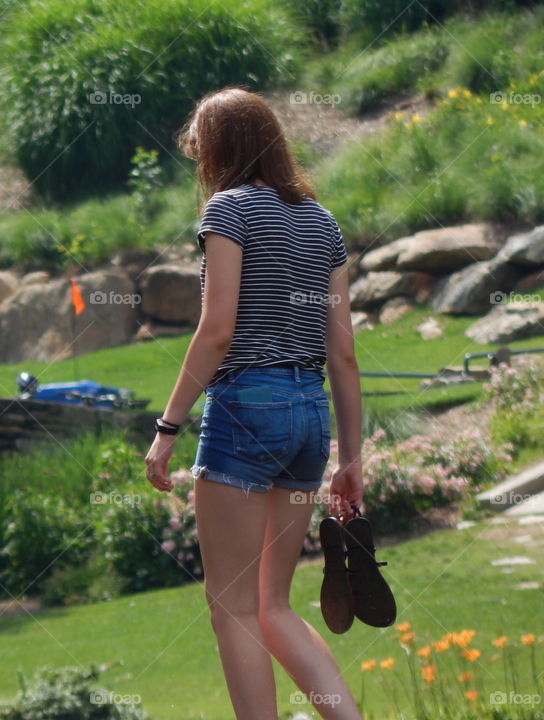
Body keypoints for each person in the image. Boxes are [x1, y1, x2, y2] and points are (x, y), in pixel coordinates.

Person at [143, 86, 364, 720]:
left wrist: (167, 427)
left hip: (246, 410)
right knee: (273, 606)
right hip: (308, 417)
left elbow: (216, 330)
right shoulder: (322, 222)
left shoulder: (230, 210)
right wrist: (351, 459)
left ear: (217, 150)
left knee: (233, 608)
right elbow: (344, 354)